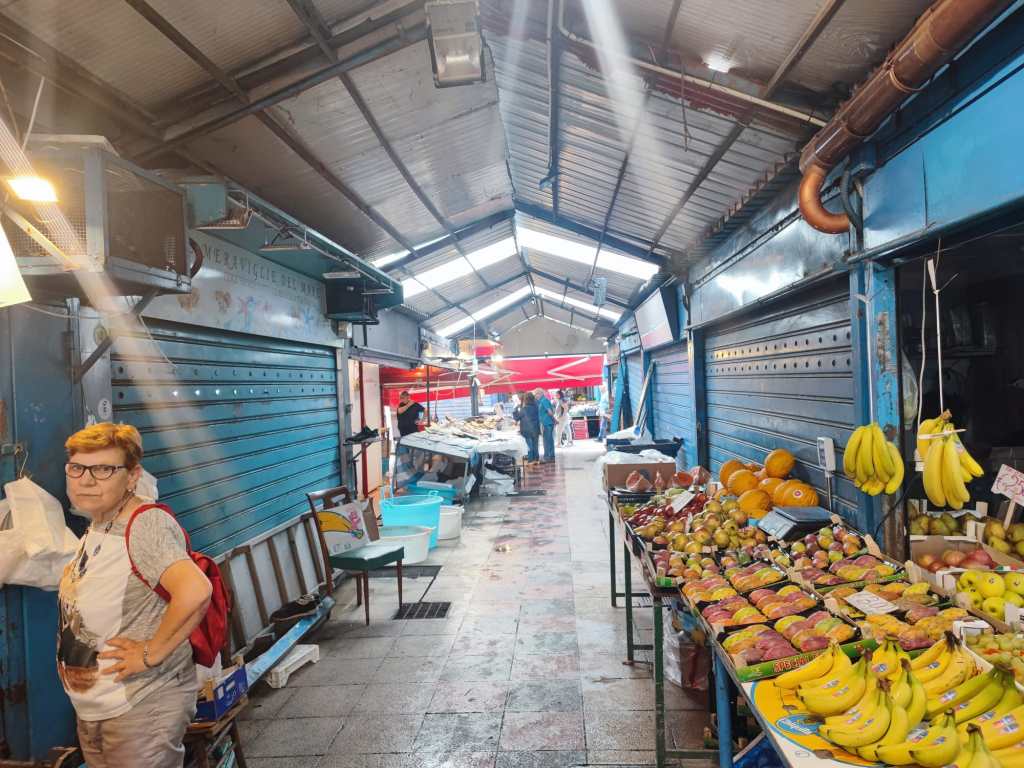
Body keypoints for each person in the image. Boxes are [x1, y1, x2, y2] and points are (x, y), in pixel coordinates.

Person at [58, 422, 213, 768]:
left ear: (131, 476)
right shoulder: (99, 522)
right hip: (100, 705)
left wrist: (149, 654)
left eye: (103, 469)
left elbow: (196, 590)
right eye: (77, 468)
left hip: (143, 704)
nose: (86, 479)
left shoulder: (144, 524)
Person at [518, 392, 540, 464]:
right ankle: (536, 459)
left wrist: (515, 409)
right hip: (535, 428)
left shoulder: (524, 408)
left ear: (525, 400)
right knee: (535, 445)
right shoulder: (536, 407)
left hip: (527, 430)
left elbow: (517, 417)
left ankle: (530, 460)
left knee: (529, 445)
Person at [535, 387, 556, 463]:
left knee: (547, 441)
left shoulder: (544, 400)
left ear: (540, 393)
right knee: (549, 440)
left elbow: (550, 412)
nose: (535, 396)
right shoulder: (542, 401)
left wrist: (554, 419)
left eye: (536, 394)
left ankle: (547, 457)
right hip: (547, 423)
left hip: (546, 423)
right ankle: (551, 457)